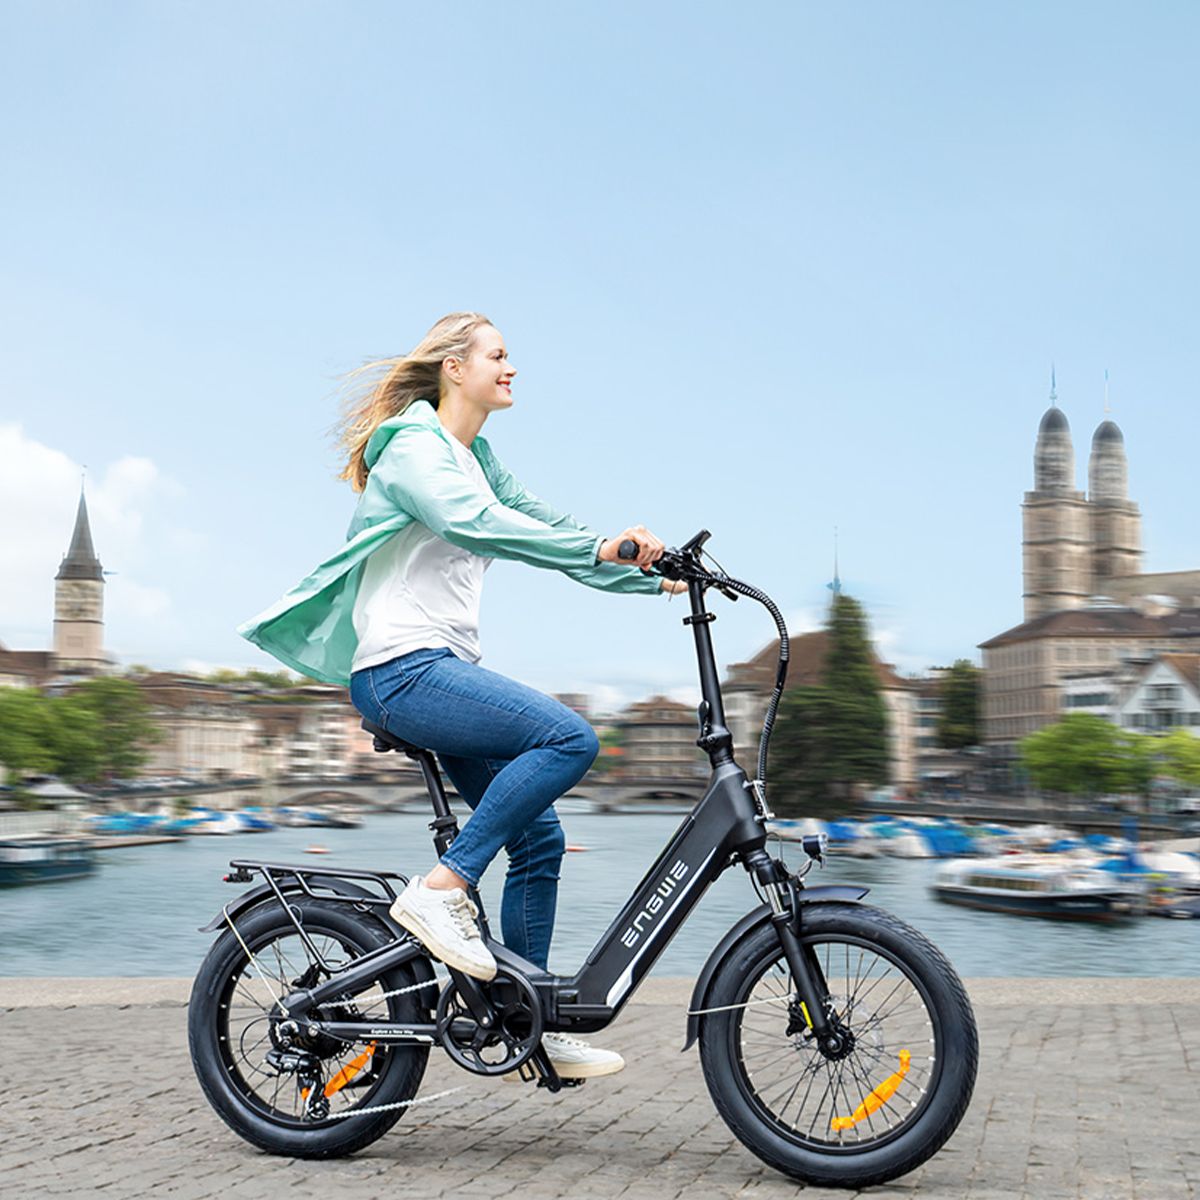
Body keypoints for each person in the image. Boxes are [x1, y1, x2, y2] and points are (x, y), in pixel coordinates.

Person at [237, 311, 685, 1079]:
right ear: (454, 367)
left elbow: (546, 529)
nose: (511, 368)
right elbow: (475, 524)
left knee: (540, 841)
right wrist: (601, 547)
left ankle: (524, 1016)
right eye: (498, 355)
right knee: (568, 738)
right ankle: (441, 890)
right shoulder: (416, 449)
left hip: (435, 670)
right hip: (400, 672)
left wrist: (650, 574)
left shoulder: (479, 459)